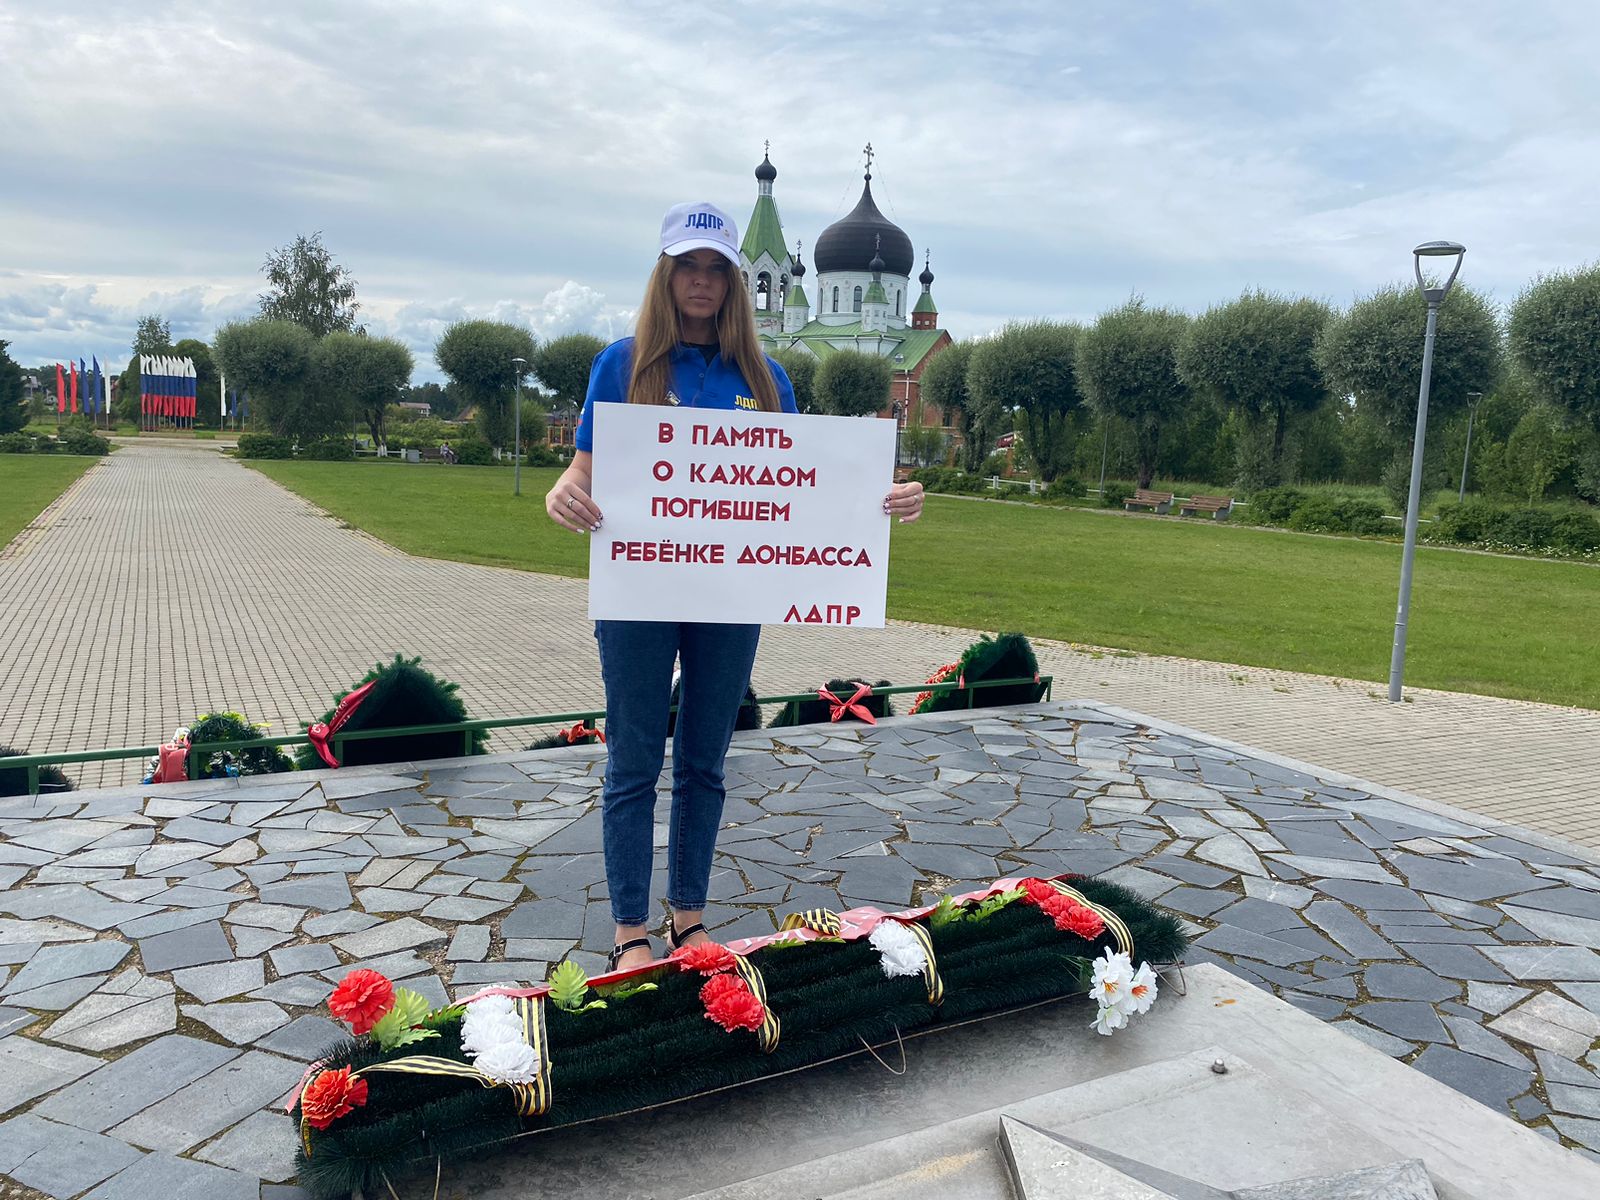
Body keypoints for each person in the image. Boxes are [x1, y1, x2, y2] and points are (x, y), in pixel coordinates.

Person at [545, 200, 925, 971]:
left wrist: (882, 501)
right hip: (640, 595)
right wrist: (562, 491)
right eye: (688, 266)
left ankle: (688, 918)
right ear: (665, 274)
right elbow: (583, 471)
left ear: (735, 282)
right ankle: (629, 932)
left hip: (728, 599)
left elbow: (797, 488)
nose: (702, 282)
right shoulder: (621, 364)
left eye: (717, 269)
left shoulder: (765, 375)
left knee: (706, 761)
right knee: (633, 760)